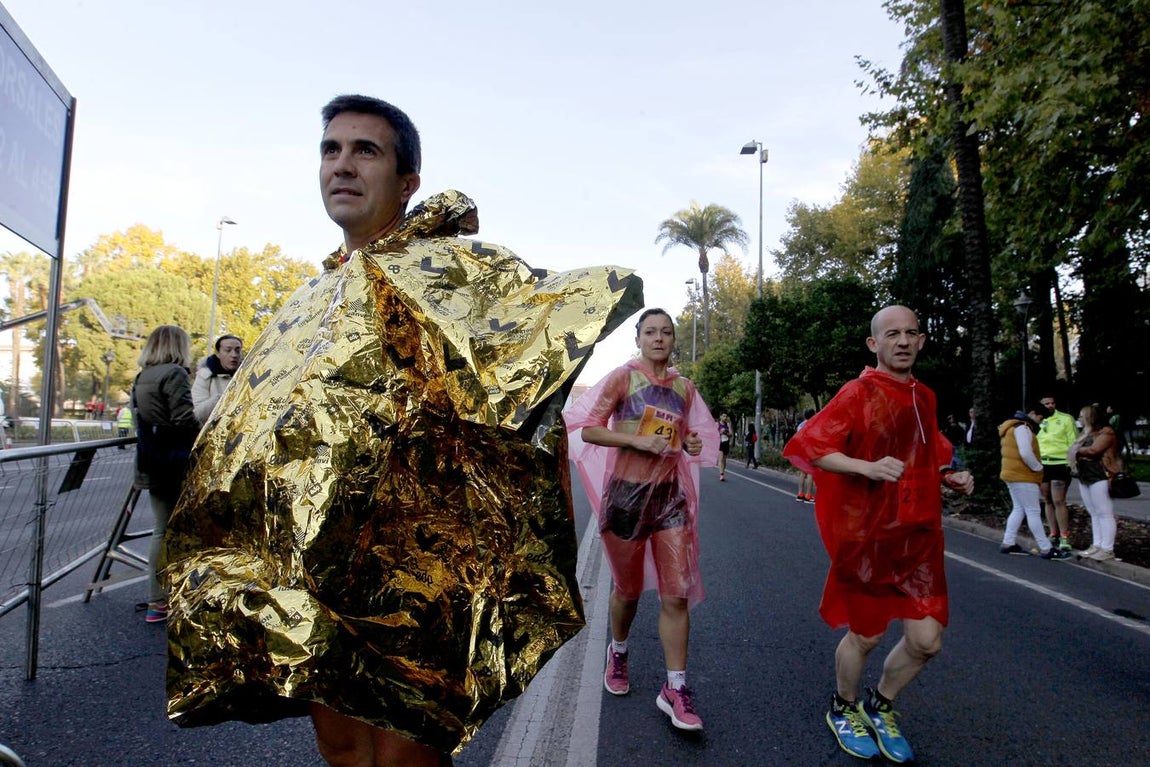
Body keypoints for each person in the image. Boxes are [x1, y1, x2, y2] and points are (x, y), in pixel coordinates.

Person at [160, 95, 642, 767]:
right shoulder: (306, 302)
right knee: (344, 748)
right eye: (330, 149)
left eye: (366, 150)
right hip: (325, 577)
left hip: (421, 574)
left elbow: (521, 375)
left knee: (405, 758)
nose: (342, 164)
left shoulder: (449, 274)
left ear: (407, 181)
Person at [783, 305, 974, 764]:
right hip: (866, 538)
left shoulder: (923, 396)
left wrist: (949, 473)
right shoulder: (858, 392)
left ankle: (880, 704)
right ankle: (844, 707)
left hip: (919, 537)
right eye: (892, 334)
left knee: (927, 641)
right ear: (874, 343)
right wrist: (863, 466)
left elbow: (928, 446)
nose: (903, 341)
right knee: (866, 636)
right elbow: (811, 445)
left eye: (911, 333)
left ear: (922, 340)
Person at [565, 308, 718, 731]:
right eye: (650, 331)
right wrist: (635, 439)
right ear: (638, 339)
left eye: (666, 332)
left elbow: (691, 438)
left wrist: (688, 440)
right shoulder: (622, 378)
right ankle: (618, 650)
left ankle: (676, 687)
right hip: (627, 499)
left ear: (673, 340)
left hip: (670, 500)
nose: (659, 338)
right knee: (628, 592)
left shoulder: (685, 387)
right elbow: (588, 428)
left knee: (676, 594)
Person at [130, 325, 199, 624]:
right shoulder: (174, 373)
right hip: (173, 462)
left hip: (151, 460)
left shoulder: (143, 376)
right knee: (171, 530)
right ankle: (161, 599)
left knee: (161, 528)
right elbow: (184, 419)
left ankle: (157, 598)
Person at [998, 404, 1070, 559]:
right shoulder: (1023, 428)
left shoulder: (1010, 427)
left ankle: (1008, 542)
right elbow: (1025, 452)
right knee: (1033, 511)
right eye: (1040, 418)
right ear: (1032, 413)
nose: (1040, 422)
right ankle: (1046, 548)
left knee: (1018, 509)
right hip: (1023, 475)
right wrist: (1038, 467)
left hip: (1011, 473)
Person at [1070, 404, 1121, 561]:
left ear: (1090, 417)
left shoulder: (1106, 432)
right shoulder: (1086, 433)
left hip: (1100, 474)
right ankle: (1097, 545)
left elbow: (1094, 450)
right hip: (1085, 474)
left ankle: (1107, 548)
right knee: (1094, 512)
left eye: (1081, 416)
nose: (1079, 419)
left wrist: (1077, 450)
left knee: (1104, 512)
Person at [1037, 394, 1079, 551]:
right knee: (1047, 499)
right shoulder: (1038, 420)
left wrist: (1071, 462)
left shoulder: (1066, 419)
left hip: (1060, 463)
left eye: (1052, 403)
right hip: (1043, 463)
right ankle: (1053, 532)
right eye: (1046, 403)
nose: (1049, 406)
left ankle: (1064, 536)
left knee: (1058, 500)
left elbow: (1073, 441)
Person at [191, 334, 243, 423]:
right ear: (218, 353)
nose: (234, 355)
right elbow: (197, 415)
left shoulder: (247, 375)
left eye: (237, 350)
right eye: (228, 350)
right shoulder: (205, 376)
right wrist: (220, 399)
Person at [795, 408, 817, 503]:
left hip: (801, 449)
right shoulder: (813, 424)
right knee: (810, 473)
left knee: (803, 472)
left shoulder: (800, 425)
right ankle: (808, 495)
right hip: (810, 450)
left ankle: (800, 493)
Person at [717, 413, 732, 480]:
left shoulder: (727, 424)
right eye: (723, 416)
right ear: (720, 417)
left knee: (724, 460)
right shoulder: (717, 424)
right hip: (720, 443)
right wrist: (720, 432)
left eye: (726, 416)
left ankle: (723, 472)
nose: (725, 417)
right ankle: (721, 475)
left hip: (726, 443)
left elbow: (731, 434)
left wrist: (726, 432)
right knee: (720, 459)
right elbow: (714, 433)